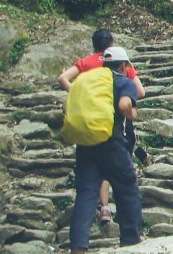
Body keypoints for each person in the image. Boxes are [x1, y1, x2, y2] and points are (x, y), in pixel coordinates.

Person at [57, 29, 145, 223]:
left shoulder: (87, 62)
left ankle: (101, 211)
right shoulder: (121, 66)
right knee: (123, 180)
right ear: (111, 43)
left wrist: (79, 97)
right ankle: (127, 229)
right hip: (114, 127)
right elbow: (140, 91)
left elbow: (62, 78)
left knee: (88, 185)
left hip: (87, 127)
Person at [68, 46, 143, 254]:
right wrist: (132, 113)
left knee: (86, 192)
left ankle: (78, 247)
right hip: (112, 143)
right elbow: (124, 104)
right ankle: (131, 239)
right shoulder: (123, 82)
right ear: (123, 65)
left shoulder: (88, 80)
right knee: (126, 187)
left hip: (86, 143)